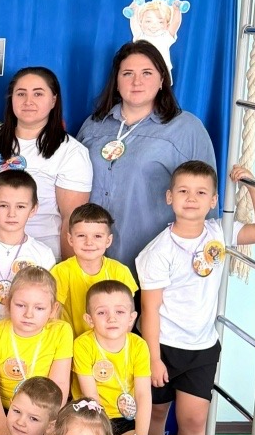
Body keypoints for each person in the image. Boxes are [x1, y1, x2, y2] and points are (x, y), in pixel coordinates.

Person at [137, 162, 255, 435]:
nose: (191, 198)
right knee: (155, 414)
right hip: (163, 345)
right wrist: (153, 358)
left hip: (202, 347)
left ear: (213, 201)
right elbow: (150, 309)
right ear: (170, 197)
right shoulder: (158, 251)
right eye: (183, 191)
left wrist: (251, 184)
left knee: (194, 421)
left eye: (200, 192)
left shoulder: (218, 232)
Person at [76, 40, 217, 268]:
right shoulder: (94, 125)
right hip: (90, 263)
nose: (137, 81)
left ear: (162, 80)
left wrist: (201, 262)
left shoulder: (186, 129)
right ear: (116, 81)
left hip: (153, 265)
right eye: (128, 73)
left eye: (147, 73)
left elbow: (206, 199)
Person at [0, 68, 92, 260]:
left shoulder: (71, 152)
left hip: (40, 253)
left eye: (38, 94)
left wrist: (66, 270)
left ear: (53, 100)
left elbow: (72, 219)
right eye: (21, 93)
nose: (28, 101)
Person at [0, 267, 73, 435]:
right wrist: (3, 429)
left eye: (39, 308)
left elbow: (60, 385)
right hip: (3, 411)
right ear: (8, 303)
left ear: (53, 309)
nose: (28, 314)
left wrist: (44, 424)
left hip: (45, 412)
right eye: (20, 305)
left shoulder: (61, 331)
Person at [0, 171, 57, 331]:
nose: (11, 214)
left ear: (33, 209)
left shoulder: (43, 254)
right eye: (3, 205)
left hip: (26, 335)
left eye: (20, 206)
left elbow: (48, 303)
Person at [73, 280, 152, 435]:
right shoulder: (83, 345)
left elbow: (143, 395)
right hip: (90, 415)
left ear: (131, 318)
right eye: (102, 312)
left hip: (126, 417)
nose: (112, 318)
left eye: (120, 312)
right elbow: (91, 397)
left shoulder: (139, 346)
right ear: (89, 319)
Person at [52, 204, 137, 335]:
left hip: (108, 341)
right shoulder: (60, 271)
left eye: (97, 236)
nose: (89, 242)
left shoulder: (120, 271)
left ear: (108, 240)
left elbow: (128, 315)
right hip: (71, 342)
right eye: (81, 235)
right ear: (70, 239)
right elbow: (53, 314)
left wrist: (115, 340)